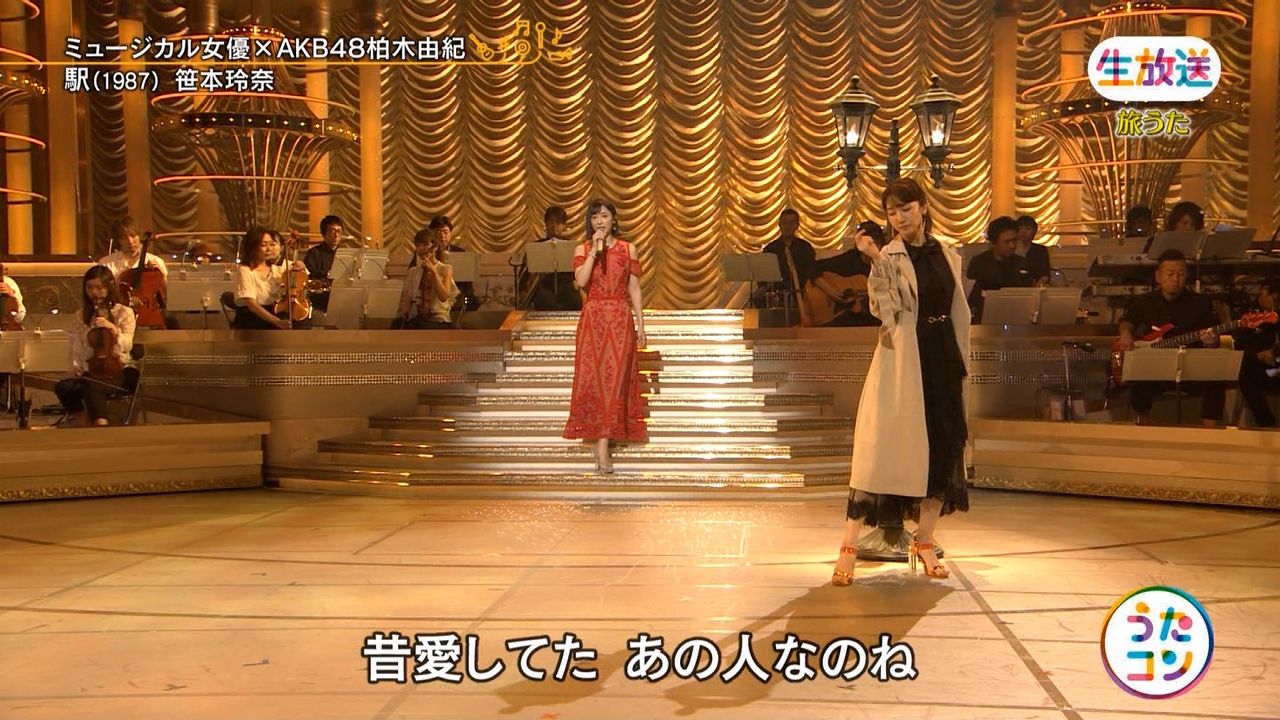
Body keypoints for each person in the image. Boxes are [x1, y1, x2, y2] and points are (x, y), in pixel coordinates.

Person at [831, 178, 970, 586]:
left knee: (944, 446)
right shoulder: (889, 255)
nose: (899, 218)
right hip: (903, 359)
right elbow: (884, 308)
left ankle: (924, 540)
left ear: (923, 207)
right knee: (880, 449)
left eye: (906, 209)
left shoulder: (946, 252)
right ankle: (849, 545)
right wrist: (876, 258)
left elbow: (956, 307)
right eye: (892, 212)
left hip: (943, 355)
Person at [563, 198, 648, 473]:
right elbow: (581, 281)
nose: (599, 221)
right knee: (595, 381)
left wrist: (641, 323)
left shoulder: (628, 249)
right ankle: (601, 443)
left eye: (604, 216)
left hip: (620, 318)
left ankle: (603, 444)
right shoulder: (582, 249)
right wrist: (593, 252)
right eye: (595, 217)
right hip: (594, 319)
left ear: (614, 219)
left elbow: (634, 288)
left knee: (616, 381)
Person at [1117, 249, 1224, 426]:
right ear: (1158, 276)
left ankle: (1209, 433)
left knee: (1215, 381)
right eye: (1170, 274)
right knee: (1137, 379)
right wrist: (1125, 334)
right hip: (1156, 369)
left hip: (1190, 368)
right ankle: (1143, 427)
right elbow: (1127, 321)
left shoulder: (1201, 303)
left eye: (1180, 274)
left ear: (1187, 276)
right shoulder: (1143, 302)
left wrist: (1211, 342)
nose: (1175, 279)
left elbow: (1214, 336)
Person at [55, 266, 138, 427]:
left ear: (109, 287)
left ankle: (101, 423)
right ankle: (80, 417)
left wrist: (113, 329)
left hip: (119, 370)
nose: (94, 293)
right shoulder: (81, 315)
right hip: (91, 370)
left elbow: (127, 345)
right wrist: (76, 366)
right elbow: (76, 346)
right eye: (89, 288)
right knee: (63, 387)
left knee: (91, 386)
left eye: (99, 288)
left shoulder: (124, 312)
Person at [804, 220, 882, 327]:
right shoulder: (850, 259)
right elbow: (813, 267)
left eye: (875, 244)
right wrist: (830, 291)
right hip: (844, 318)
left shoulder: (884, 263)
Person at [232, 227, 309, 330]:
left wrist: (301, 266)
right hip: (253, 319)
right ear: (252, 247)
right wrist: (277, 322)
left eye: (271, 244)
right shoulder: (245, 270)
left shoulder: (278, 267)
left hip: (275, 314)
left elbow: (302, 275)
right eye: (263, 245)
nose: (269, 249)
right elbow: (252, 305)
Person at [966, 216, 1032, 322]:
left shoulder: (1021, 263)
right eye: (1007, 242)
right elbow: (972, 298)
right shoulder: (979, 263)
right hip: (985, 318)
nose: (1012, 246)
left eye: (1014, 240)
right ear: (994, 242)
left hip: (1017, 317)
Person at [755, 208, 816, 321]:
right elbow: (763, 275)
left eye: (792, 223)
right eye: (785, 222)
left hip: (801, 295)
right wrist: (763, 287)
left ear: (797, 226)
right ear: (779, 225)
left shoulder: (805, 248)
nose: (788, 226)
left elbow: (812, 272)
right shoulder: (771, 249)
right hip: (776, 296)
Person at [1234, 278, 1280, 427]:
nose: (1277, 305)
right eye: (1275, 300)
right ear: (1264, 291)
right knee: (1245, 373)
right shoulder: (1246, 313)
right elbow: (1238, 345)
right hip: (1257, 366)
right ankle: (1266, 423)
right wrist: (1258, 355)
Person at [521, 206, 583, 311]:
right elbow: (524, 274)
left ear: (564, 226)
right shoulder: (537, 246)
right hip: (545, 285)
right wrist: (523, 289)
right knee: (544, 299)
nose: (554, 226)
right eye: (551, 222)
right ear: (546, 224)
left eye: (558, 222)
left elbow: (579, 270)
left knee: (574, 299)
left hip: (566, 285)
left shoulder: (571, 245)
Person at [396, 229, 459, 329]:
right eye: (418, 245)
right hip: (417, 318)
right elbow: (406, 301)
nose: (421, 248)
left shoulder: (446, 269)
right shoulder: (413, 271)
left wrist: (433, 271)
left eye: (425, 245)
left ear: (435, 247)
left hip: (438, 319)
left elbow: (444, 297)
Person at [426, 215, 479, 311]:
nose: (442, 236)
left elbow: (467, 282)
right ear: (432, 233)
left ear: (451, 233)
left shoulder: (460, 253)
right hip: (432, 293)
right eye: (438, 232)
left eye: (445, 232)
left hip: (456, 293)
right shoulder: (426, 252)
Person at [98, 216, 168, 281]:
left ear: (139, 236)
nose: (130, 241)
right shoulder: (105, 264)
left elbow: (164, 289)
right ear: (118, 240)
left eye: (133, 235)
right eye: (124, 238)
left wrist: (161, 275)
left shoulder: (157, 261)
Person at [303, 214, 344, 312]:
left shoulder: (345, 253)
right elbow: (308, 276)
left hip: (341, 294)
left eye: (339, 231)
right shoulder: (314, 253)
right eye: (332, 231)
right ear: (323, 233)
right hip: (320, 297)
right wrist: (326, 274)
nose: (336, 235)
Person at [1014, 215, 1052, 286]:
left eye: (1028, 229)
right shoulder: (1010, 248)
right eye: (1020, 229)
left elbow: (1045, 274)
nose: (1023, 232)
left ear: (1034, 232)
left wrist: (1037, 286)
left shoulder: (1040, 250)